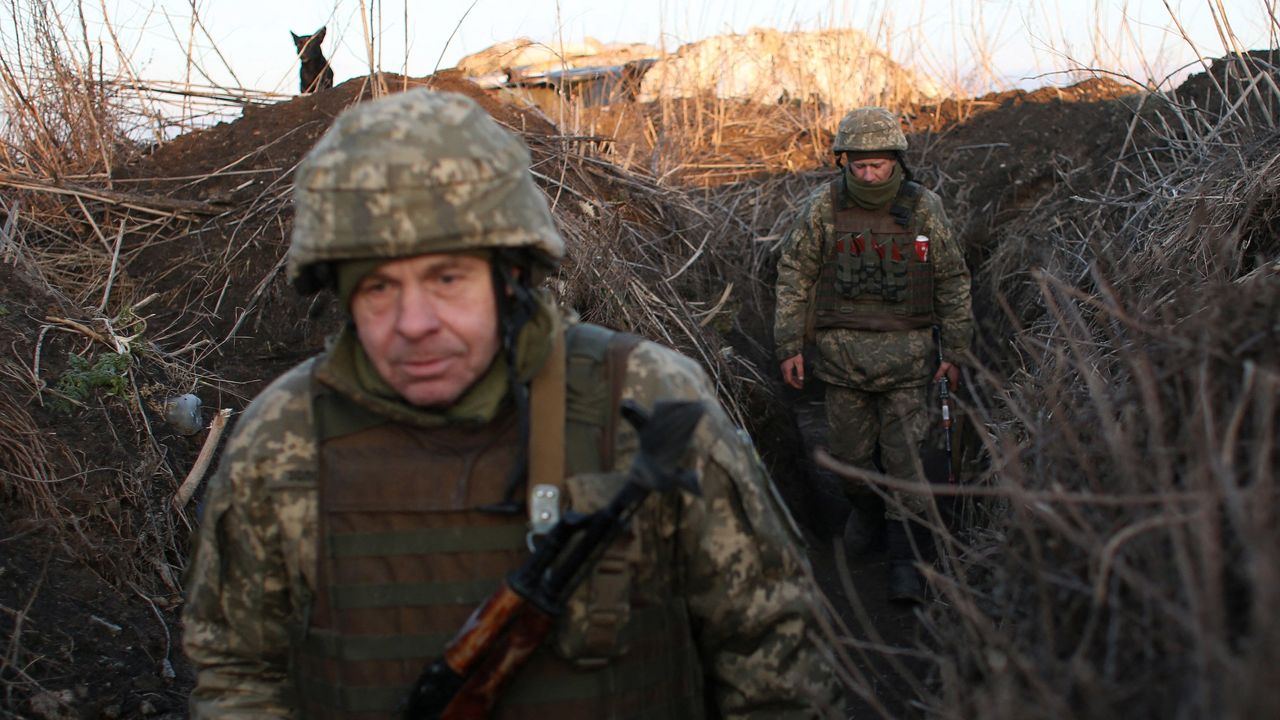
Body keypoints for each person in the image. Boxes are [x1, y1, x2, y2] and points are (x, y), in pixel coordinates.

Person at [182, 88, 843, 719]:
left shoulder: (644, 397)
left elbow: (777, 656)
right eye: (379, 287)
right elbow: (238, 670)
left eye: (447, 278)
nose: (414, 322)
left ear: (513, 277)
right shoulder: (283, 437)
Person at [773, 107, 973, 604]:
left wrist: (955, 347)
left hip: (907, 364)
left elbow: (952, 278)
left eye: (877, 166)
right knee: (849, 461)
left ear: (895, 161)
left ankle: (905, 557)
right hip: (842, 365)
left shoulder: (923, 207)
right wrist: (788, 344)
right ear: (845, 162)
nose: (867, 175)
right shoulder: (824, 206)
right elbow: (795, 274)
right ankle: (865, 510)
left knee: (907, 465)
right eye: (858, 166)